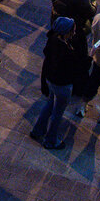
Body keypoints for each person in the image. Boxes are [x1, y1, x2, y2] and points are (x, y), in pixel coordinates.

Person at [30, 16, 78, 150]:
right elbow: (75, 68)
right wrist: (91, 56)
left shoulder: (52, 41)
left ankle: (38, 130)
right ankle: (51, 140)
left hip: (51, 81)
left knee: (50, 103)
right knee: (58, 113)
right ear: (66, 32)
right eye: (72, 30)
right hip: (62, 85)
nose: (74, 32)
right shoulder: (65, 51)